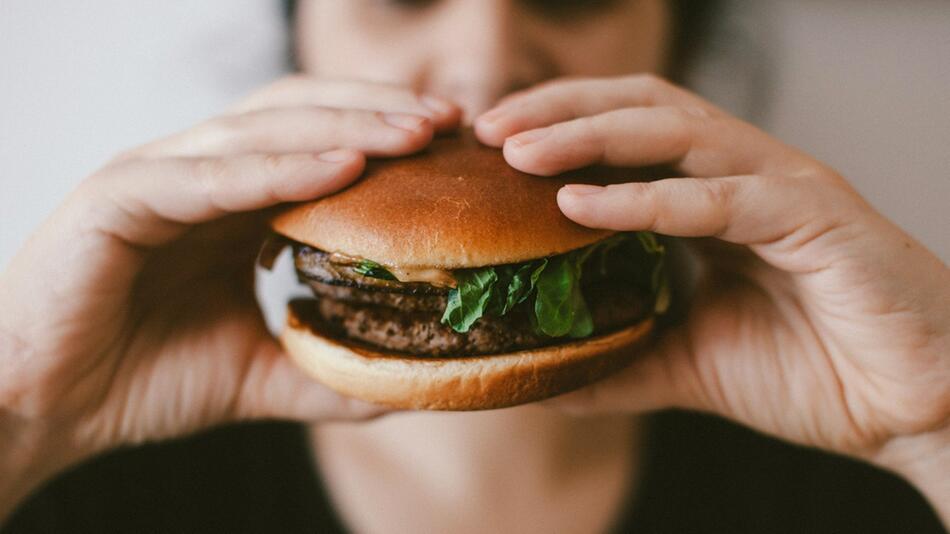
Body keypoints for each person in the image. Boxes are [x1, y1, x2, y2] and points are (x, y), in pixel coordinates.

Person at [1, 1, 947, 532]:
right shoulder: (95, 479)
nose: (484, 65)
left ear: (676, 42)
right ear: (301, 32)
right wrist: (23, 415)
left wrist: (933, 428)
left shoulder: (850, 475)